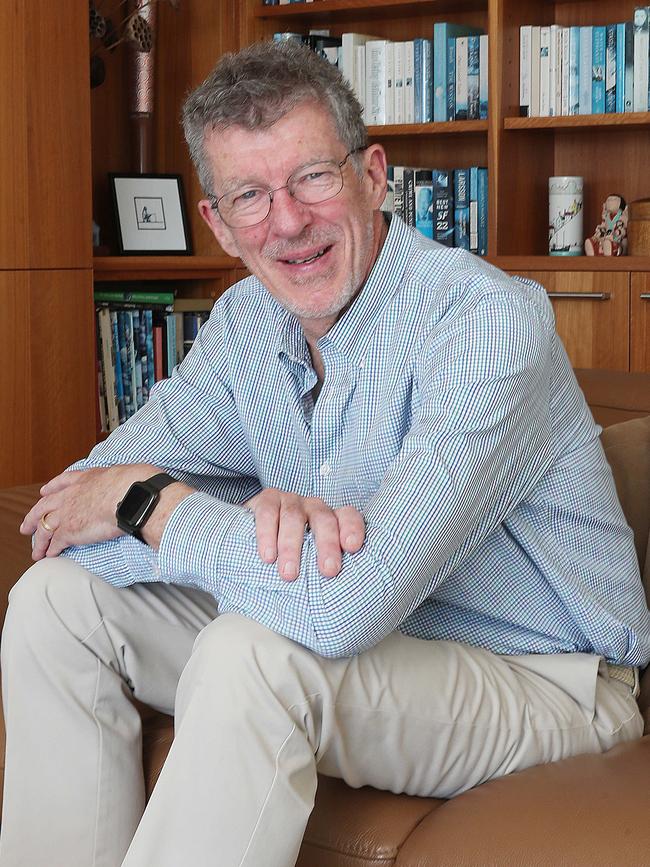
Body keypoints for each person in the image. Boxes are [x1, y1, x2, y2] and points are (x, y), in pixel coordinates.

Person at [2, 40, 649, 867]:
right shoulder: (242, 326)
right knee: (57, 601)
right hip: (367, 645)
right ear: (218, 224)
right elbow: (72, 511)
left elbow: (335, 609)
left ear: (373, 177)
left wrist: (155, 504)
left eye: (312, 176)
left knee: (253, 653)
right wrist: (248, 524)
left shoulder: (487, 322)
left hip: (547, 679)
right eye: (249, 195)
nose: (287, 222)